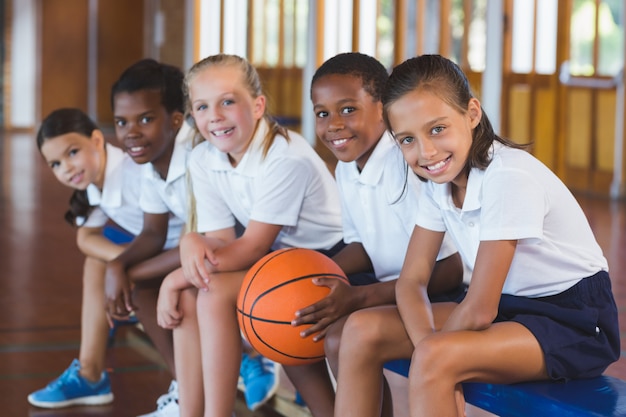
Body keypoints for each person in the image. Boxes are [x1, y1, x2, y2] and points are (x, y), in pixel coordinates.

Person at [332, 54, 620, 417]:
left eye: (437, 129)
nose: (427, 152)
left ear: (472, 113)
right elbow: (411, 282)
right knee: (361, 331)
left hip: (570, 320)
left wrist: (432, 356)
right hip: (508, 308)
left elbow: (482, 308)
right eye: (407, 139)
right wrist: (426, 346)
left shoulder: (508, 176)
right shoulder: (441, 182)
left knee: (437, 358)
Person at [155, 53, 344, 417]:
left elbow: (252, 246)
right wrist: (192, 241)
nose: (216, 116)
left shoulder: (284, 157)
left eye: (228, 101)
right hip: (281, 262)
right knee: (195, 296)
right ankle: (189, 411)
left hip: (332, 263)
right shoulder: (204, 158)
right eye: (202, 106)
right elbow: (223, 241)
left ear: (258, 105)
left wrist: (173, 279)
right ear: (193, 116)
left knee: (207, 293)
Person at [287, 52, 464, 416]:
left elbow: (449, 270)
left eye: (348, 109)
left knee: (350, 333)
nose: (334, 124)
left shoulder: (408, 164)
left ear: (383, 109)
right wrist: (309, 276)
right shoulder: (346, 168)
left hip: (453, 296)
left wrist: (359, 297)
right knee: (320, 331)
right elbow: (362, 246)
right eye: (323, 113)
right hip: (400, 290)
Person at [28, 108, 183, 410]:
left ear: (97, 139)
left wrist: (125, 268)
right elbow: (85, 238)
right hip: (165, 254)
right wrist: (122, 265)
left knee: (109, 267)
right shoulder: (97, 181)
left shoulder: (132, 172)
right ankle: (90, 374)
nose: (66, 168)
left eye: (72, 152)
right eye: (56, 164)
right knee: (97, 262)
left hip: (191, 252)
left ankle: (187, 386)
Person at [107, 58, 195, 417]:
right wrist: (119, 264)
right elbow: (152, 233)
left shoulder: (195, 158)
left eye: (145, 119)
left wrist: (128, 272)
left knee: (168, 288)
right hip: (202, 250)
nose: (131, 132)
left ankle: (197, 397)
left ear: (175, 119)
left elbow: (206, 242)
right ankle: (187, 390)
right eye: (121, 122)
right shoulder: (149, 162)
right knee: (138, 283)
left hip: (234, 251)